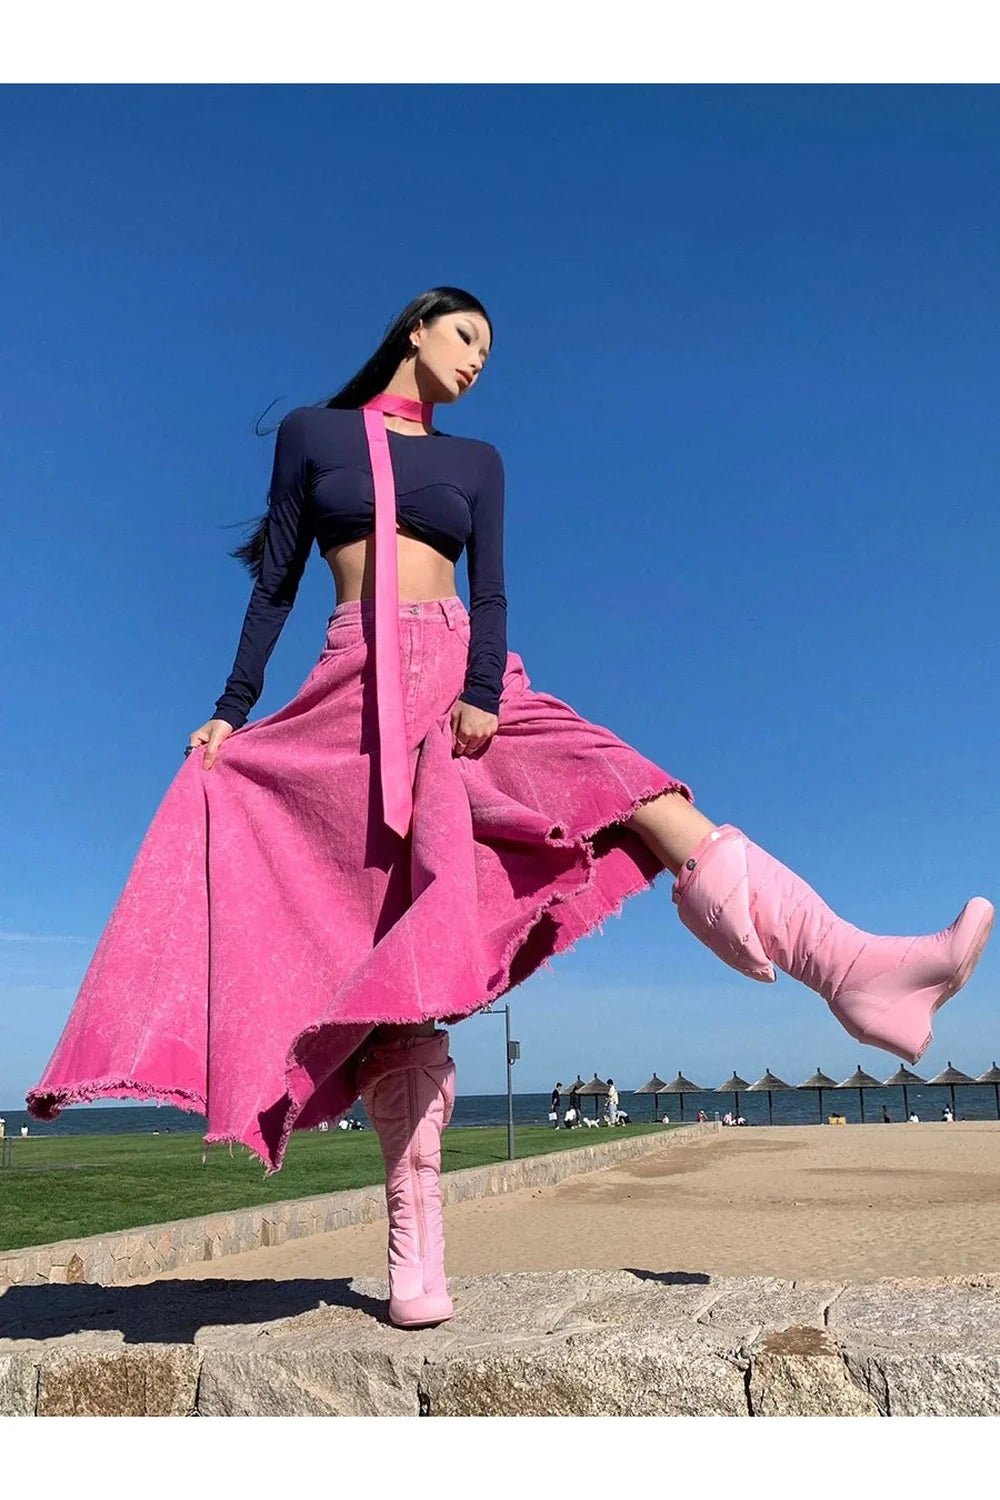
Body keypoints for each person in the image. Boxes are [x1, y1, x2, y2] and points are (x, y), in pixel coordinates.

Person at [25, 286, 995, 1334]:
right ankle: (415, 1246)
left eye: (489, 348)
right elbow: (274, 583)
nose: (480, 358)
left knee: (642, 794)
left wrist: (484, 691)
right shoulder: (314, 435)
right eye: (466, 336)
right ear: (415, 329)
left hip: (468, 682)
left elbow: (490, 593)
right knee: (398, 983)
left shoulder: (474, 463)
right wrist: (229, 713)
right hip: (348, 695)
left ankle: (852, 969)